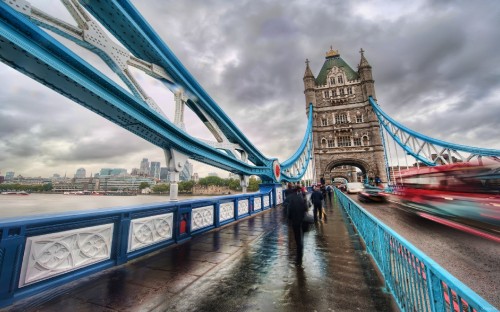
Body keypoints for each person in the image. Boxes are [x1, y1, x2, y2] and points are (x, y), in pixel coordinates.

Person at [287, 185, 307, 262]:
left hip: (295, 220)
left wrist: (289, 218)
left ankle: (298, 256)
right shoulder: (301, 197)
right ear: (298, 190)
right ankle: (301, 249)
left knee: (297, 236)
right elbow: (305, 208)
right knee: (301, 234)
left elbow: (289, 210)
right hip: (302, 219)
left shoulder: (290, 198)